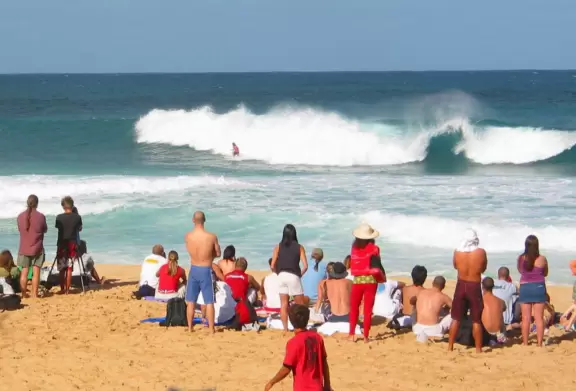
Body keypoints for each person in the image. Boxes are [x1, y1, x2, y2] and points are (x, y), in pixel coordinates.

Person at [265, 305, 332, 391]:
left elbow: (286, 369)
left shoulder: (294, 342)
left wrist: (272, 382)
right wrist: (327, 384)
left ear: (291, 320)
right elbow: (324, 364)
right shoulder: (317, 338)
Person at [185, 211, 222, 334]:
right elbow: (218, 253)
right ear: (204, 220)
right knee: (209, 301)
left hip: (193, 268)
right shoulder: (211, 237)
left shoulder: (188, 236)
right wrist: (209, 257)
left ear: (192, 220)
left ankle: (190, 327)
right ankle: (211, 329)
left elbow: (190, 250)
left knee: (191, 301)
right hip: (205, 269)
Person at [348, 223, 384, 343]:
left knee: (354, 307)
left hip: (357, 280)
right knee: (367, 309)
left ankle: (351, 334)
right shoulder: (375, 249)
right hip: (371, 281)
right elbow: (377, 264)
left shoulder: (354, 248)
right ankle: (365, 336)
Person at [270, 224, 308, 333]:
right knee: (300, 305)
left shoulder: (278, 246)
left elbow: (272, 265)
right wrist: (299, 275)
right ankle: (301, 327)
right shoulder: (299, 247)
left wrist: (277, 273)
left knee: (284, 304)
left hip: (281, 276)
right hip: (293, 275)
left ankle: (285, 329)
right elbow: (305, 266)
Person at [517, 235, 548, 347]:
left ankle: (525, 343)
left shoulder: (521, 258)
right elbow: (545, 273)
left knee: (526, 318)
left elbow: (520, 271)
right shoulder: (542, 259)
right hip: (538, 288)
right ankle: (539, 343)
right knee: (539, 318)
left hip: (525, 288)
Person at [16, 195, 47, 298]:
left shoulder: (20, 216)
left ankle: (24, 294)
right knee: (36, 271)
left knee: (24, 272)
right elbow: (44, 230)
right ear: (37, 204)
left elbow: (20, 230)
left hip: (24, 248)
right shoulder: (41, 216)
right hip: (37, 248)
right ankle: (34, 294)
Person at [55, 196, 83, 295]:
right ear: (72, 205)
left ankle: (62, 288)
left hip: (62, 244)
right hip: (72, 244)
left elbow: (58, 228)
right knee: (69, 268)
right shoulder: (77, 217)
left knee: (62, 268)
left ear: (63, 206)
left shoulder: (59, 217)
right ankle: (67, 290)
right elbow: (79, 229)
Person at [412, 276, 452, 341]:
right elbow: (455, 308)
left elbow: (411, 300)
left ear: (432, 283)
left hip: (417, 329)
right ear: (443, 286)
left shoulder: (421, 292)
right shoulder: (443, 296)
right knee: (452, 316)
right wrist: (446, 309)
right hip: (433, 331)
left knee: (414, 309)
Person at [225, 257, 258, 329]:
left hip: (228, 303)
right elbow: (258, 287)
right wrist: (249, 285)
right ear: (245, 268)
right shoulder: (248, 277)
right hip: (241, 304)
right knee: (253, 290)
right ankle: (253, 305)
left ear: (235, 266)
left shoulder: (226, 276)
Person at [481, 277, 507, 344]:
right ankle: (498, 338)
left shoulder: (479, 301)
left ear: (482, 286)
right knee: (501, 316)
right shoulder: (501, 301)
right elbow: (504, 308)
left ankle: (491, 339)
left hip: (484, 334)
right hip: (499, 335)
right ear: (493, 287)